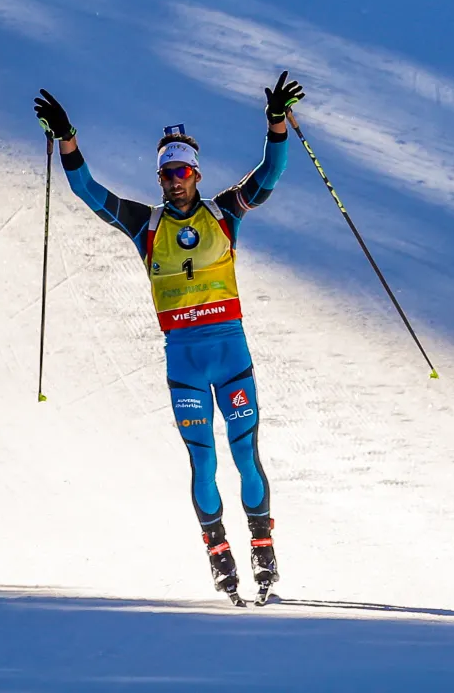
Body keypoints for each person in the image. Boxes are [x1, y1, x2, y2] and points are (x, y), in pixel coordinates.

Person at [33, 71, 304, 597]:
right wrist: (68, 140)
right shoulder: (146, 225)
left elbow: (270, 175)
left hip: (229, 354)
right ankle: (218, 552)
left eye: (181, 171)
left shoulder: (224, 212)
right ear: (160, 180)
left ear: (196, 173)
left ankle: (263, 547)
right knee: (203, 459)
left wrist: (276, 124)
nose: (174, 180)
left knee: (245, 454)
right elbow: (89, 191)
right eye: (166, 174)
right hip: (183, 359)